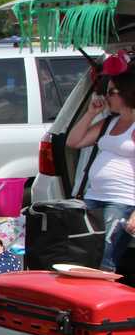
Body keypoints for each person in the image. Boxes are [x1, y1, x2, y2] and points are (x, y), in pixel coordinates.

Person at [67, 71, 135, 271]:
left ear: (128, 93)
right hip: (94, 196)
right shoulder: (109, 122)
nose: (106, 96)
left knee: (104, 256)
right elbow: (74, 141)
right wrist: (90, 114)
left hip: (122, 199)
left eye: (111, 92)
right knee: (84, 250)